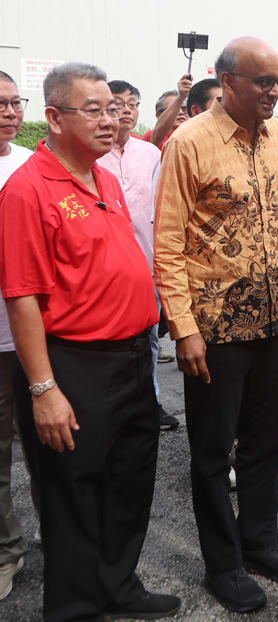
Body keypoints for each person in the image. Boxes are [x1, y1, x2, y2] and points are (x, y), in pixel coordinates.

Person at [0, 62, 180, 621]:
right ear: (53, 118)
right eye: (95, 110)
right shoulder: (29, 189)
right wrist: (43, 387)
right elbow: (22, 296)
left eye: (116, 108)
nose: (113, 120)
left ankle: (118, 584)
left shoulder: (102, 175)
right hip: (76, 363)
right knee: (73, 495)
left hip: (132, 356)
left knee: (129, 482)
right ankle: (76, 607)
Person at [154, 37, 278, 614]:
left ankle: (260, 541)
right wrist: (183, 326)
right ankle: (222, 565)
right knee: (211, 450)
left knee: (266, 441)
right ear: (227, 80)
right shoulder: (188, 142)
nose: (274, 92)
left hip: (273, 318)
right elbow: (168, 241)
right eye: (263, 82)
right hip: (214, 328)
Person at [97, 80, 180, 432]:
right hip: (102, 272)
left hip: (146, 267)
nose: (126, 110)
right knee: (104, 345)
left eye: (133, 103)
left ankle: (149, 401)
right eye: (118, 104)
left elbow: (164, 210)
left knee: (147, 340)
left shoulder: (152, 155)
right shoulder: (93, 155)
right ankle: (104, 408)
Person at [0, 69, 31, 603]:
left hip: (38, 334)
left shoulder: (31, 167)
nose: (8, 111)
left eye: (13, 101)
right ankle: (7, 549)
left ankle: (69, 540)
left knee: (58, 446)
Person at [142, 74, 191, 148]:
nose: (181, 112)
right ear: (159, 115)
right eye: (175, 108)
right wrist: (180, 98)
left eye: (184, 109)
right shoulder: (151, 136)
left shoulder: (195, 136)